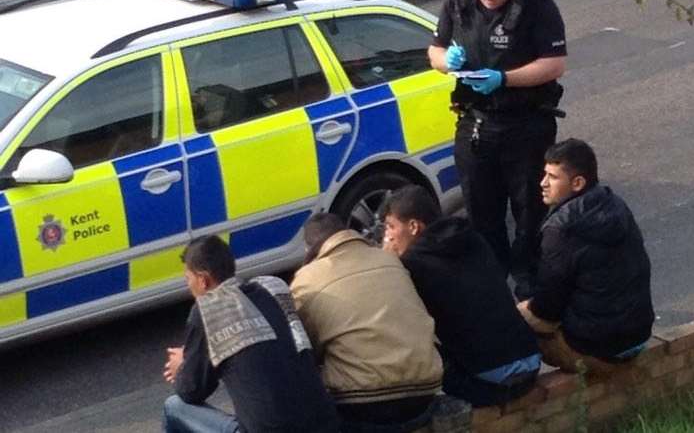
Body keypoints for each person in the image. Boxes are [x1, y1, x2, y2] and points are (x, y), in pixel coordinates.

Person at [428, 0, 567, 299]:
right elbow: (434, 52)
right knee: (481, 211)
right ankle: (492, 281)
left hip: (526, 125)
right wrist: (449, 61)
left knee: (530, 211)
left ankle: (529, 283)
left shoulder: (536, 5)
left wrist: (504, 78)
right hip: (475, 123)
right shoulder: (458, 2)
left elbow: (554, 64)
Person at [380, 185, 540, 408]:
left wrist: (387, 264)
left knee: (406, 341)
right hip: (531, 361)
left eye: (390, 227)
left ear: (414, 226)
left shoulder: (412, 264)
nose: (386, 236)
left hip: (489, 382)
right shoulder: (471, 238)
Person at [162, 235, 339, 433]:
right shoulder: (264, 295)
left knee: (174, 406)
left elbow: (192, 391)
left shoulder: (207, 309)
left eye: (188, 279)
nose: (189, 287)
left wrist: (183, 366)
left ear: (203, 280)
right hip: (323, 423)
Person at [290, 213, 443, 432]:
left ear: (309, 249)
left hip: (364, 405)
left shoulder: (306, 279)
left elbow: (307, 351)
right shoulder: (389, 259)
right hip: (425, 394)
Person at [516, 139, 655, 375]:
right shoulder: (614, 204)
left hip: (598, 350)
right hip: (637, 336)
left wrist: (525, 309)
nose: (543, 183)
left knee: (512, 320)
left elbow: (548, 307)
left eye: (553, 177)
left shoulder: (561, 228)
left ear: (578, 183)